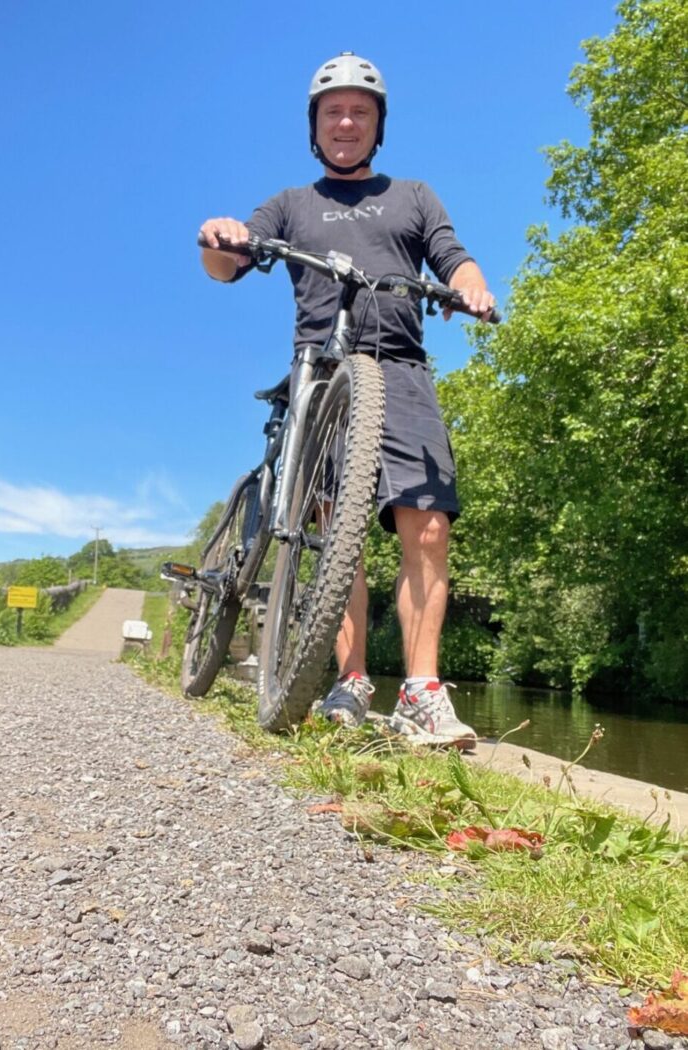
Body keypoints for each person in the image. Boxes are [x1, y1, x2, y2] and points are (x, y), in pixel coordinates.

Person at [199, 52, 495, 747]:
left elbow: (455, 258)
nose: (346, 120)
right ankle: (351, 680)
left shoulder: (414, 195)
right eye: (333, 110)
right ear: (315, 125)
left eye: (361, 111)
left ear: (377, 125)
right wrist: (223, 236)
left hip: (403, 370)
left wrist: (474, 287)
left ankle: (422, 691)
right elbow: (225, 267)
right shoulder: (291, 204)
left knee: (427, 527)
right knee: (335, 538)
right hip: (322, 376)